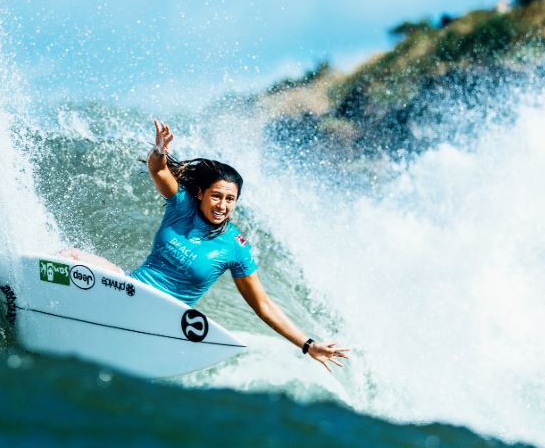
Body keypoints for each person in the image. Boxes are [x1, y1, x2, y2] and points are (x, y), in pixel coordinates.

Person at [65, 119, 350, 372]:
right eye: (216, 196)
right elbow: (158, 170)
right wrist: (160, 151)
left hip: (163, 315)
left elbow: (262, 305)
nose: (222, 205)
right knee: (69, 256)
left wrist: (307, 344)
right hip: (130, 289)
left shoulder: (235, 247)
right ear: (200, 193)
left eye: (230, 199)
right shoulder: (181, 207)